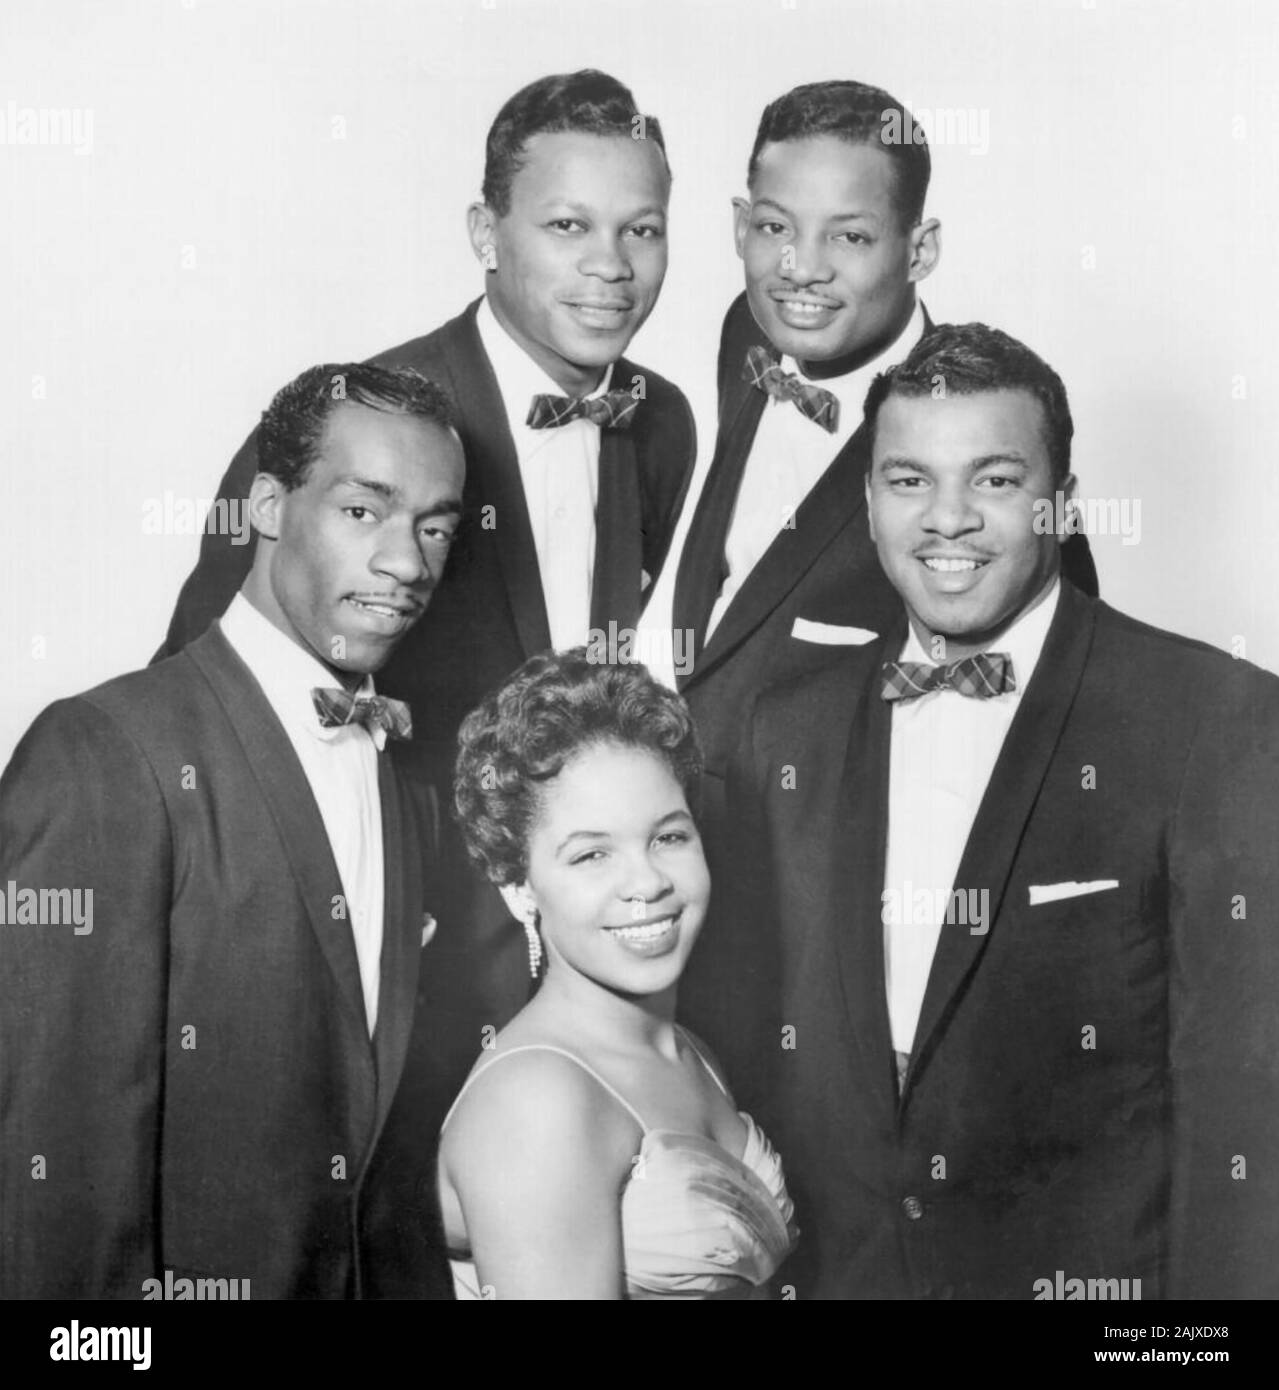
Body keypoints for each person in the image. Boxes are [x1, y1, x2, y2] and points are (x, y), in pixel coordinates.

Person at [699, 323, 1279, 1299]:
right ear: (870, 503)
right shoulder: (782, 726)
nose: (947, 519)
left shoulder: (1213, 718)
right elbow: (742, 1046)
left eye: (995, 480)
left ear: (1060, 506)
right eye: (909, 480)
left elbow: (1245, 1114)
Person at [155, 68, 696, 1099]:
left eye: (642, 230)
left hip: (599, 967)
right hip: (399, 971)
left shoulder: (660, 420)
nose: (611, 268)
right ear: (485, 234)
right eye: (569, 226)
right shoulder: (362, 424)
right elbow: (205, 718)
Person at [0, 363, 465, 1299]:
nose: (408, 562)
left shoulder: (410, 772)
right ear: (265, 506)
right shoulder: (104, 751)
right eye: (363, 511)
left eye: (435, 526)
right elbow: (54, 1177)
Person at [669, 80, 1097, 790]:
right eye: (776, 227)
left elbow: (1060, 690)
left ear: (919, 250)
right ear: (740, 226)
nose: (801, 268)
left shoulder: (989, 429)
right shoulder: (746, 332)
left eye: (850, 236)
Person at [436, 651, 798, 1300]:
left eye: (668, 837)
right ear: (518, 885)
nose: (647, 882)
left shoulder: (687, 1050)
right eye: (591, 854)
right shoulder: (537, 1100)